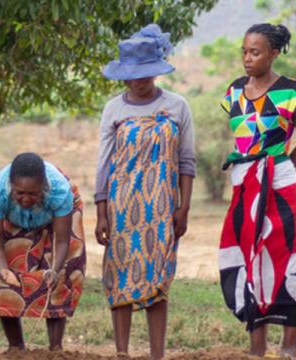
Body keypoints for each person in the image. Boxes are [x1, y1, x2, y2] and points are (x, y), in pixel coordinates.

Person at [216, 23, 296, 358]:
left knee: (286, 262)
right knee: (247, 262)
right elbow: (241, 140)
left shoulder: (291, 91)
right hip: (244, 187)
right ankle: (256, 350)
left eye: (255, 52)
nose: (247, 58)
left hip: (281, 188)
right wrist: (255, 173)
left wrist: (279, 168)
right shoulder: (233, 91)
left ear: (274, 54)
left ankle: (288, 348)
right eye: (244, 51)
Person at [92, 24, 194, 360]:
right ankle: (122, 352)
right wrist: (101, 212)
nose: (138, 80)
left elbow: (186, 161)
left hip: (163, 206)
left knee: (158, 277)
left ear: (156, 71)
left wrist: (184, 208)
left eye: (146, 73)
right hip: (122, 205)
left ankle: (157, 355)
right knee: (120, 275)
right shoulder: (114, 110)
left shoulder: (178, 107)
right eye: (132, 74)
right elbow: (104, 164)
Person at [0, 153, 86, 353]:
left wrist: (54, 270)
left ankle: (55, 349)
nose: (26, 199)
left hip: (54, 221)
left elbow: (62, 240)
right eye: (19, 193)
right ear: (11, 186)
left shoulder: (59, 190)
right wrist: (4, 271)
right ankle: (15, 347)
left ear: (44, 187)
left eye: (33, 194)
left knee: (62, 272)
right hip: (12, 220)